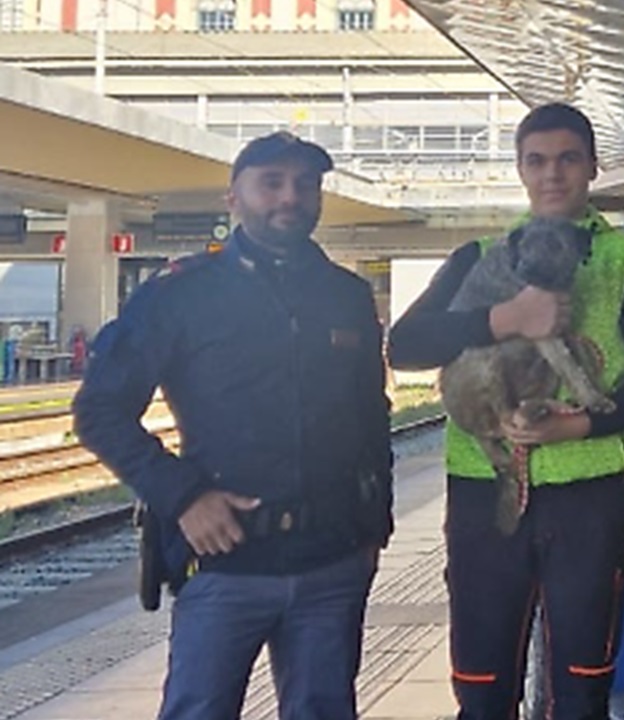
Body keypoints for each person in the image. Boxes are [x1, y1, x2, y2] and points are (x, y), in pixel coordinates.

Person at [73, 131, 393, 720]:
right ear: (234, 199)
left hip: (332, 563)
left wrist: (377, 527)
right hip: (226, 563)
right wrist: (183, 496)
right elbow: (99, 410)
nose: (289, 197)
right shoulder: (180, 296)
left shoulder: (346, 297)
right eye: (271, 182)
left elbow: (372, 417)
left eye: (305, 184)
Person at [387, 102, 624, 720]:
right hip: (482, 495)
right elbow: (405, 346)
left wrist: (572, 425)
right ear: (521, 170)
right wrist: (504, 319)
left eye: (568, 159)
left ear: (592, 167)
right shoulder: (478, 257)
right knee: (481, 683)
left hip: (586, 498)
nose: (553, 174)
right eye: (538, 161)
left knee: (581, 688)